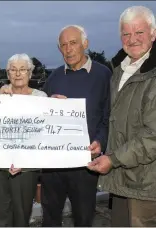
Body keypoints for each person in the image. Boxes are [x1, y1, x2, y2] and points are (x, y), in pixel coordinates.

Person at [88, 6, 156, 227]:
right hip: (121, 179)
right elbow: (112, 116)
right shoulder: (118, 71)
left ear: (153, 33)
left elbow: (152, 136)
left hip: (147, 184)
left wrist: (113, 159)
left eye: (139, 32)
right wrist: (100, 142)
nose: (132, 39)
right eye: (126, 33)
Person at [41, 25, 111, 226]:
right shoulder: (53, 78)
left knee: (83, 218)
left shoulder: (103, 75)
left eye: (73, 43)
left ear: (85, 44)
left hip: (85, 164)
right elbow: (41, 117)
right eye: (63, 45)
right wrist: (48, 104)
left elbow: (108, 115)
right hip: (54, 165)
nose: (68, 49)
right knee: (50, 218)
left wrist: (100, 141)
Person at [0, 53, 47, 227]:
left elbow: (43, 134)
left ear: (30, 73)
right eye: (13, 70)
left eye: (23, 69)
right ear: (7, 74)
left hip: (26, 168)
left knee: (21, 214)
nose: (18, 73)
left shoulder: (41, 97)